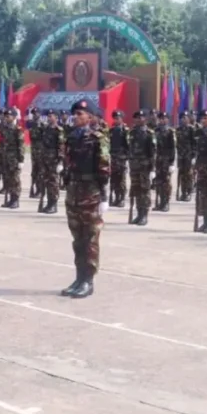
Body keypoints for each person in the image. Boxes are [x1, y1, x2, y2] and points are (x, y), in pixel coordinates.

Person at [61, 99, 110, 299]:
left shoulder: (98, 139)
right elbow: (68, 163)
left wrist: (104, 196)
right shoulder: (72, 137)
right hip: (74, 192)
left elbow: (105, 168)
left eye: (80, 114)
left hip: (91, 193)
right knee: (77, 239)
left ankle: (88, 280)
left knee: (90, 238)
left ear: (90, 117)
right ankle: (79, 277)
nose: (76, 117)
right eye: (75, 114)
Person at [128, 110, 156, 225]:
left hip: (145, 167)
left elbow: (153, 152)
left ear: (145, 119)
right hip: (134, 166)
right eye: (137, 117)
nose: (139, 119)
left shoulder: (149, 133)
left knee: (144, 191)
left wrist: (153, 169)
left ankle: (144, 214)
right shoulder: (132, 132)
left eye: (141, 117)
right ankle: (139, 213)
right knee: (136, 190)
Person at [38, 109, 64, 214]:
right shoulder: (46, 129)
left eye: (51, 116)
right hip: (45, 159)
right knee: (46, 181)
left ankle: (53, 204)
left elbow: (61, 146)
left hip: (54, 160)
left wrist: (61, 162)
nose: (49, 118)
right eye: (48, 116)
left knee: (53, 182)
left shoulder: (59, 130)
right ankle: (48, 203)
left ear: (56, 118)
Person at [0, 108, 25, 208]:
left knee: (15, 179)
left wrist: (21, 160)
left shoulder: (17, 129)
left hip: (14, 159)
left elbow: (21, 145)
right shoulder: (4, 128)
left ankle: (15, 199)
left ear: (14, 117)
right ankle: (10, 199)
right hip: (6, 158)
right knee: (8, 178)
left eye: (8, 116)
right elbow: (2, 144)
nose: (6, 118)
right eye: (5, 116)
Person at [153, 111, 176, 211]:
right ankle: (159, 202)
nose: (162, 120)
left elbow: (173, 148)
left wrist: (172, 163)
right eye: (161, 118)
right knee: (158, 182)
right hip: (158, 159)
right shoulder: (155, 130)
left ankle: (166, 202)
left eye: (164, 118)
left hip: (167, 160)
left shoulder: (171, 131)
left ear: (168, 119)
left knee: (166, 182)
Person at [108, 111, 129, 206]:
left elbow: (128, 145)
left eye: (118, 118)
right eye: (115, 118)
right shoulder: (111, 131)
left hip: (122, 158)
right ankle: (116, 197)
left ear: (122, 118)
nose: (116, 119)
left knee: (121, 179)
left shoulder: (125, 130)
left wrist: (127, 157)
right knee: (114, 179)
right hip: (113, 157)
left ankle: (122, 198)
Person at [176, 111, 196, 201]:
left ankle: (188, 192)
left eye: (186, 117)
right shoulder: (178, 129)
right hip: (181, 156)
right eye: (182, 118)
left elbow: (195, 143)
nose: (184, 119)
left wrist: (194, 156)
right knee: (182, 174)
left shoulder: (191, 129)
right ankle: (183, 192)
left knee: (188, 175)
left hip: (189, 156)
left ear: (189, 119)